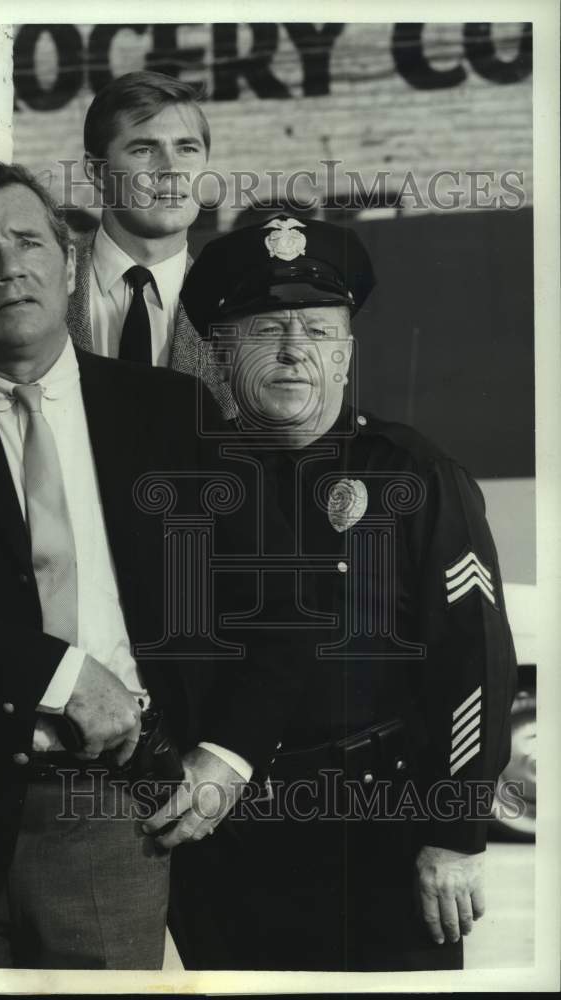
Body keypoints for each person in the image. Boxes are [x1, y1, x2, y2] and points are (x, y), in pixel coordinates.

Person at [0, 162, 297, 968]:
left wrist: (228, 755)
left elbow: (276, 598)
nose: (9, 268)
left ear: (70, 265)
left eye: (27, 242)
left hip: (111, 813)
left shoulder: (171, 413)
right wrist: (61, 675)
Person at [170, 214, 518, 971]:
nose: (295, 350)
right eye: (267, 330)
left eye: (321, 332)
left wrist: (456, 832)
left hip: (382, 831)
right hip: (226, 841)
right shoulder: (186, 481)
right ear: (220, 352)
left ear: (348, 352)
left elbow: (475, 663)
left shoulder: (411, 473)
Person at [66, 70, 234, 416]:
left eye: (187, 148)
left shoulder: (235, 308)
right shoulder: (45, 284)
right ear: (97, 172)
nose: (171, 169)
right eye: (144, 149)